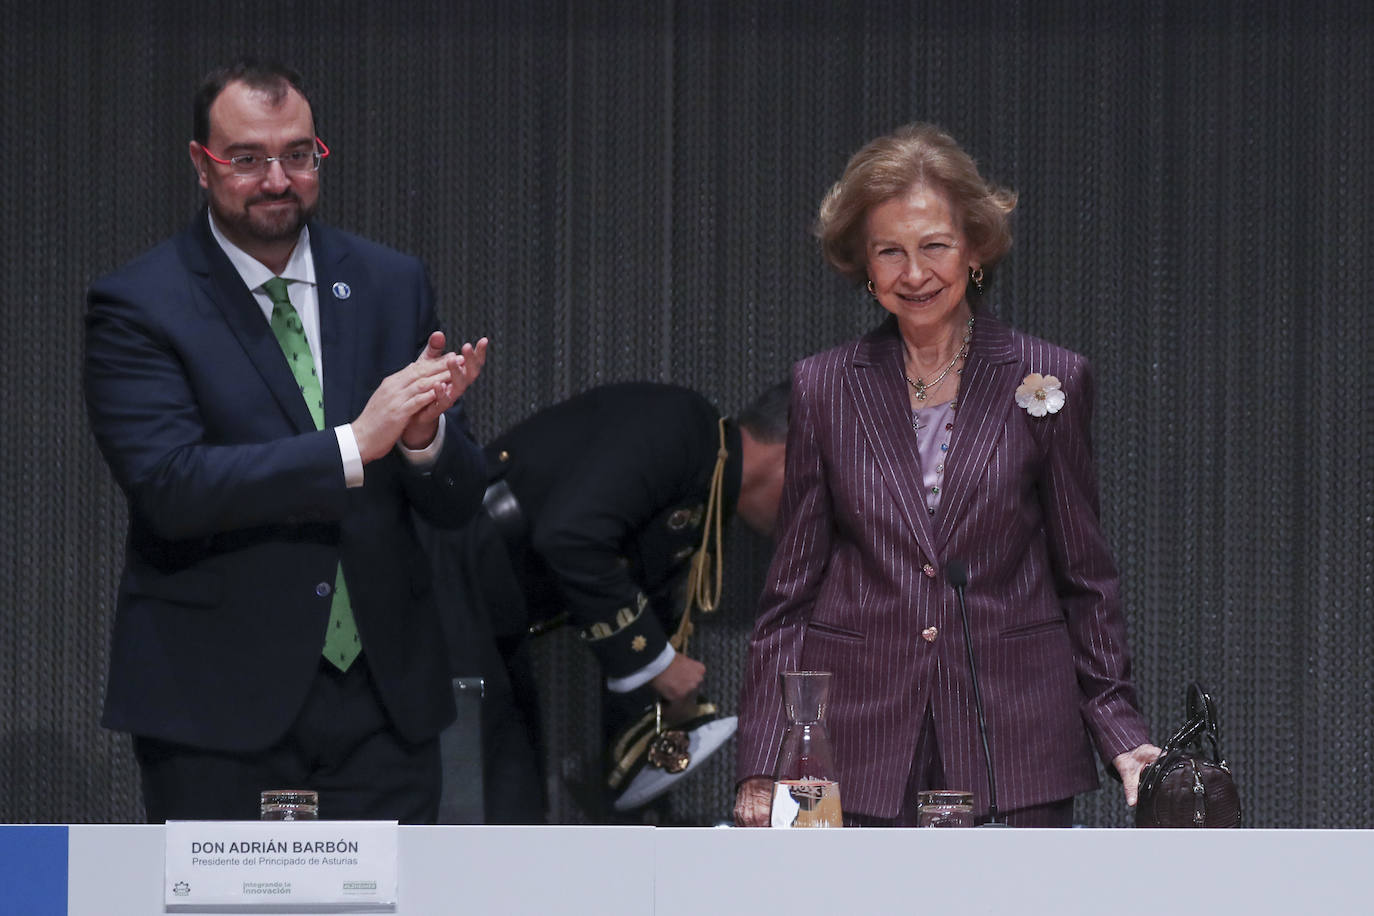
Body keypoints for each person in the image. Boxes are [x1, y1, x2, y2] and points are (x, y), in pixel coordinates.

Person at [83, 58, 490, 824]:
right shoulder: (139, 303)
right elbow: (171, 487)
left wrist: (425, 435)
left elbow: (457, 499)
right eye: (247, 158)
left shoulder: (389, 281)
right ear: (200, 165)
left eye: (298, 155)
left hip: (384, 705)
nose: (277, 179)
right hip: (217, 708)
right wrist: (354, 444)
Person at [733, 124, 1159, 828]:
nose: (915, 273)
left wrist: (1119, 729)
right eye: (889, 252)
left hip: (1012, 736)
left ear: (976, 248)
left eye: (934, 246)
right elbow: (788, 596)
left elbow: (1084, 578)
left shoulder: (1048, 379)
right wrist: (763, 760)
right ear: (864, 266)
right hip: (854, 744)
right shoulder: (823, 387)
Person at [426, 381, 788, 823]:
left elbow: (631, 591)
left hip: (487, 617)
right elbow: (570, 536)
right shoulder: (685, 428)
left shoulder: (705, 490)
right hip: (445, 594)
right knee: (471, 812)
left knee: (512, 808)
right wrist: (658, 665)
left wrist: (658, 692)